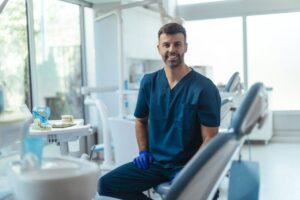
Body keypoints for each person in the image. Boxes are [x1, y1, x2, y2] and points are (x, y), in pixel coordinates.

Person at [99, 22, 221, 200]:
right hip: (155, 163)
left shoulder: (203, 87)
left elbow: (210, 137)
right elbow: (140, 120)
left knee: (208, 193)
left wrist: (192, 169)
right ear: (159, 48)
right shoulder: (149, 82)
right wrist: (143, 151)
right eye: (166, 45)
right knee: (106, 184)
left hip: (187, 164)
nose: (172, 50)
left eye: (177, 44)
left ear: (185, 47)